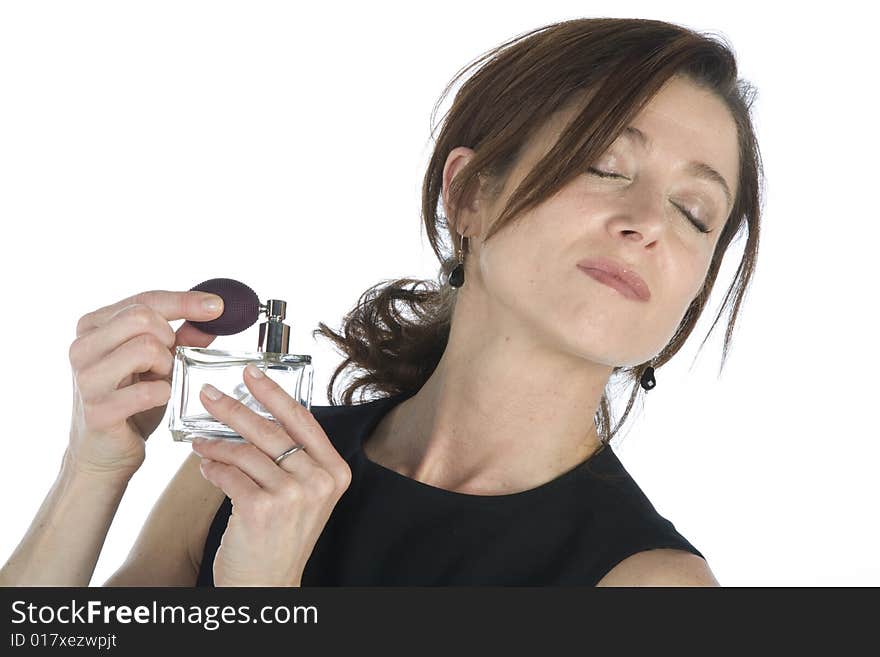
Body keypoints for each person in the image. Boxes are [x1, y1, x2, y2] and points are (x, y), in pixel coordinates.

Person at [0, 17, 762, 587]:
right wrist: (93, 469)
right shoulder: (248, 466)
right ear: (467, 195)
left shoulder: (651, 584)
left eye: (696, 212)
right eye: (605, 165)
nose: (650, 224)